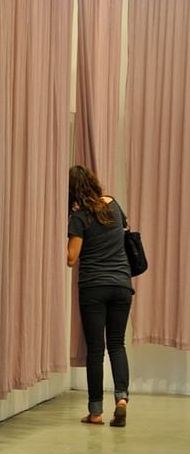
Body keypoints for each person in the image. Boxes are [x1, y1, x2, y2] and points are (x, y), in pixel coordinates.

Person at [67, 165, 133, 428]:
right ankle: (122, 398)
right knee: (117, 343)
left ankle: (95, 412)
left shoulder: (79, 217)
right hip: (121, 285)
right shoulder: (114, 205)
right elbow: (122, 230)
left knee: (96, 350)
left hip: (93, 287)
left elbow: (72, 259)